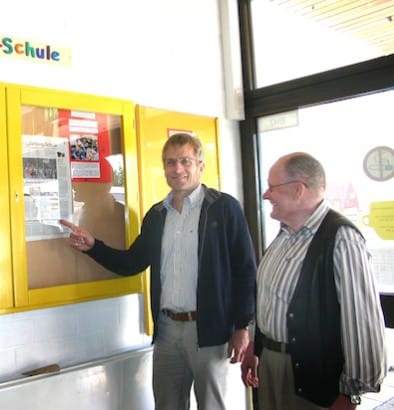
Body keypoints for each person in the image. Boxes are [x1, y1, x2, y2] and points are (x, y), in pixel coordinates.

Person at [60, 132, 257, 409]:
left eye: (186, 161)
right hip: (167, 331)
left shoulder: (224, 209)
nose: (178, 169)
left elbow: (246, 270)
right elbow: (132, 262)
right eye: (170, 162)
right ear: (164, 168)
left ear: (200, 165)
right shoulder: (157, 215)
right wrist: (94, 246)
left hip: (211, 332)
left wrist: (242, 326)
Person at [240, 152, 386, 410]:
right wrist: (254, 345)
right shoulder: (283, 236)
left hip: (313, 381)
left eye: (272, 187)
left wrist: (350, 393)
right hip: (270, 366)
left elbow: (361, 323)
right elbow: (268, 299)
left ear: (298, 190)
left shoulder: (342, 240)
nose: (265, 195)